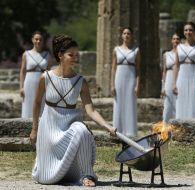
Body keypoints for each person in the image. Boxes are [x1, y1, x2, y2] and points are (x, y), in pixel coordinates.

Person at [29, 34, 116, 187]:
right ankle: (45, 165)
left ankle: (86, 175)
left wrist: (108, 126)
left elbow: (91, 110)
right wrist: (34, 129)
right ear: (60, 55)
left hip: (70, 125)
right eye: (71, 54)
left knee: (82, 130)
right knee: (45, 179)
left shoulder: (80, 81)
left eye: (77, 55)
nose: (75, 57)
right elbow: (36, 104)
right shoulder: (46, 77)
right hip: (49, 127)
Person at [111, 27, 141, 137]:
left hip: (131, 78)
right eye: (124, 33)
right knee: (118, 103)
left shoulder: (136, 50)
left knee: (130, 103)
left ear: (131, 36)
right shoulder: (116, 50)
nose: (126, 35)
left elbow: (138, 69)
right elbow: (113, 68)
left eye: (128, 33)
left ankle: (130, 132)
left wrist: (138, 85)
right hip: (119, 78)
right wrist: (112, 85)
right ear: (121, 35)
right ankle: (118, 130)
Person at [20, 31, 53, 118]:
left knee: (42, 105)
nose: (38, 41)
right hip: (29, 83)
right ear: (32, 40)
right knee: (28, 105)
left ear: (43, 41)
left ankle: (41, 129)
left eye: (40, 39)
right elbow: (23, 71)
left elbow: (49, 71)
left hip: (42, 83)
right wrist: (21, 87)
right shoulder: (26, 54)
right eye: (36, 39)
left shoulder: (47, 55)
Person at [173, 22, 195, 119]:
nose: (188, 32)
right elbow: (176, 65)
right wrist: (174, 83)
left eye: (190, 30)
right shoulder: (179, 47)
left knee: (194, 102)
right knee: (181, 101)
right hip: (182, 77)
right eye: (186, 30)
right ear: (183, 32)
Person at [161, 33, 181, 123]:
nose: (175, 41)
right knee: (167, 104)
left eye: (177, 39)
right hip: (169, 79)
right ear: (171, 41)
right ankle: (165, 128)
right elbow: (164, 71)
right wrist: (163, 86)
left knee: (178, 103)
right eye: (174, 39)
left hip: (179, 78)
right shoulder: (166, 54)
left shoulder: (182, 53)